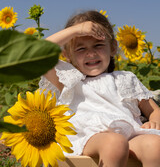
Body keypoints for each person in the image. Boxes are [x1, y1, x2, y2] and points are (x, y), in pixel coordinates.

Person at [39, 10, 160, 167]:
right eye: (81, 49)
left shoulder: (125, 78)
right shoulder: (68, 80)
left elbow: (153, 110)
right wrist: (76, 30)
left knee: (155, 145)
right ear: (67, 54)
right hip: (89, 140)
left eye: (98, 45)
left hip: (130, 138)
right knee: (115, 143)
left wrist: (155, 121)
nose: (91, 53)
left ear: (113, 48)